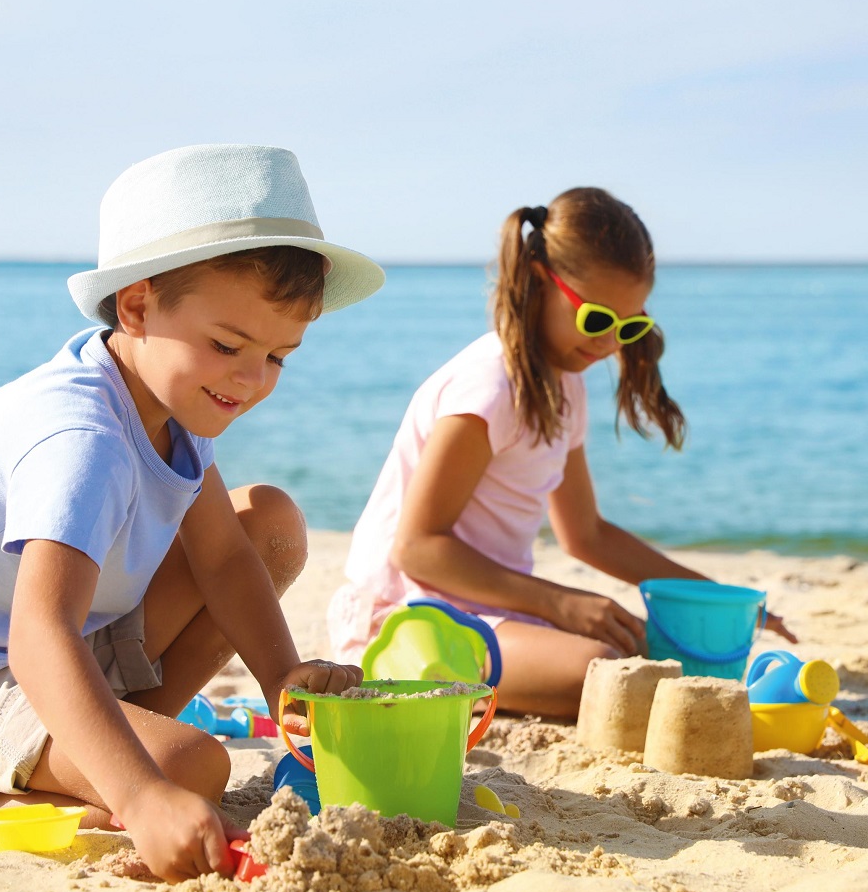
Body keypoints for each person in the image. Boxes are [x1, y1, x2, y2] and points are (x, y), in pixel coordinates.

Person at [0, 144, 379, 882]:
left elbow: (228, 557)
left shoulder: (173, 403)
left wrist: (282, 678)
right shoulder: (83, 437)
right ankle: (9, 775)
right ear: (136, 306)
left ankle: (88, 756)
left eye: (278, 357)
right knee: (191, 767)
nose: (252, 379)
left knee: (265, 523)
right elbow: (39, 633)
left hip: (63, 648)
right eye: (228, 345)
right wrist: (143, 797)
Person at [328, 187, 796, 717]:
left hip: (492, 610)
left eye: (629, 326)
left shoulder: (564, 387)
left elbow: (586, 533)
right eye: (596, 319)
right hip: (409, 620)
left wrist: (720, 600)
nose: (609, 343)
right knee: (605, 669)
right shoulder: (489, 388)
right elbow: (416, 548)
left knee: (644, 650)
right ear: (535, 279)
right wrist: (561, 603)